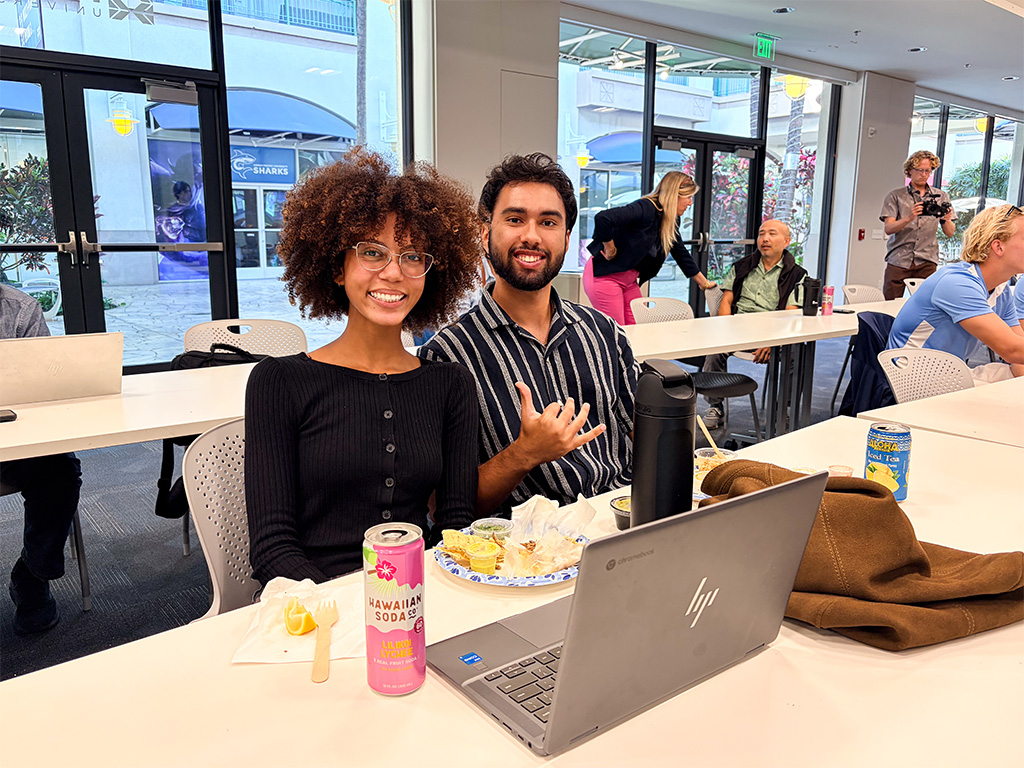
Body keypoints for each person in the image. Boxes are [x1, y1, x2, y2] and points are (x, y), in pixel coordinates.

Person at [244, 148, 482, 584]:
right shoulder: (279, 382)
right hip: (316, 605)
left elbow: (455, 527)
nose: (394, 272)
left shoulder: (450, 384)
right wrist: (352, 613)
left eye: (412, 257)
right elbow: (272, 546)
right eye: (373, 252)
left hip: (419, 596)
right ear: (337, 267)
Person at [419, 153, 640, 516]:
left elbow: (644, 439)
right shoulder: (446, 356)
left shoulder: (605, 334)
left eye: (548, 222)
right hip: (522, 554)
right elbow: (443, 506)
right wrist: (525, 453)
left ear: (567, 239)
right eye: (515, 219)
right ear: (485, 232)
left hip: (621, 525)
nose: (532, 236)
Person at [0, 283, 83, 634]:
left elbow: (43, 388)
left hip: (14, 436)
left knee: (60, 471)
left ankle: (32, 575)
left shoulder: (19, 308)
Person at [887, 204, 1024, 383]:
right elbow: (1012, 349)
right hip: (914, 379)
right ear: (998, 247)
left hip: (950, 372)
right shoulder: (958, 283)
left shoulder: (1001, 290)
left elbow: (1018, 356)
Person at [701, 219, 806, 428]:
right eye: (761, 233)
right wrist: (724, 330)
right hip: (739, 329)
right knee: (714, 351)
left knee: (797, 352)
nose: (765, 239)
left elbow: (791, 315)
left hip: (774, 332)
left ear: (786, 241)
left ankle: (781, 409)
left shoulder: (797, 274)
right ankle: (715, 406)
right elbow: (727, 301)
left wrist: (772, 342)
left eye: (772, 234)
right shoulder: (741, 267)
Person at [584, 171, 715, 324]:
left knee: (637, 330)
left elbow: (679, 252)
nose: (690, 203)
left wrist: (704, 284)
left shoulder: (669, 219)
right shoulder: (646, 208)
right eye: (688, 197)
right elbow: (603, 218)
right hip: (605, 277)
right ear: (675, 196)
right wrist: (610, 248)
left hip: (629, 281)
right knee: (616, 335)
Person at [879, 150, 956, 300]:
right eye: (919, 170)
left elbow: (950, 232)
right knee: (890, 303)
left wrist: (947, 219)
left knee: (927, 303)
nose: (924, 174)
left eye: (928, 170)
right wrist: (910, 217)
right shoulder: (896, 196)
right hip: (899, 259)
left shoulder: (941, 196)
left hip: (927, 259)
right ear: (909, 171)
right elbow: (888, 229)